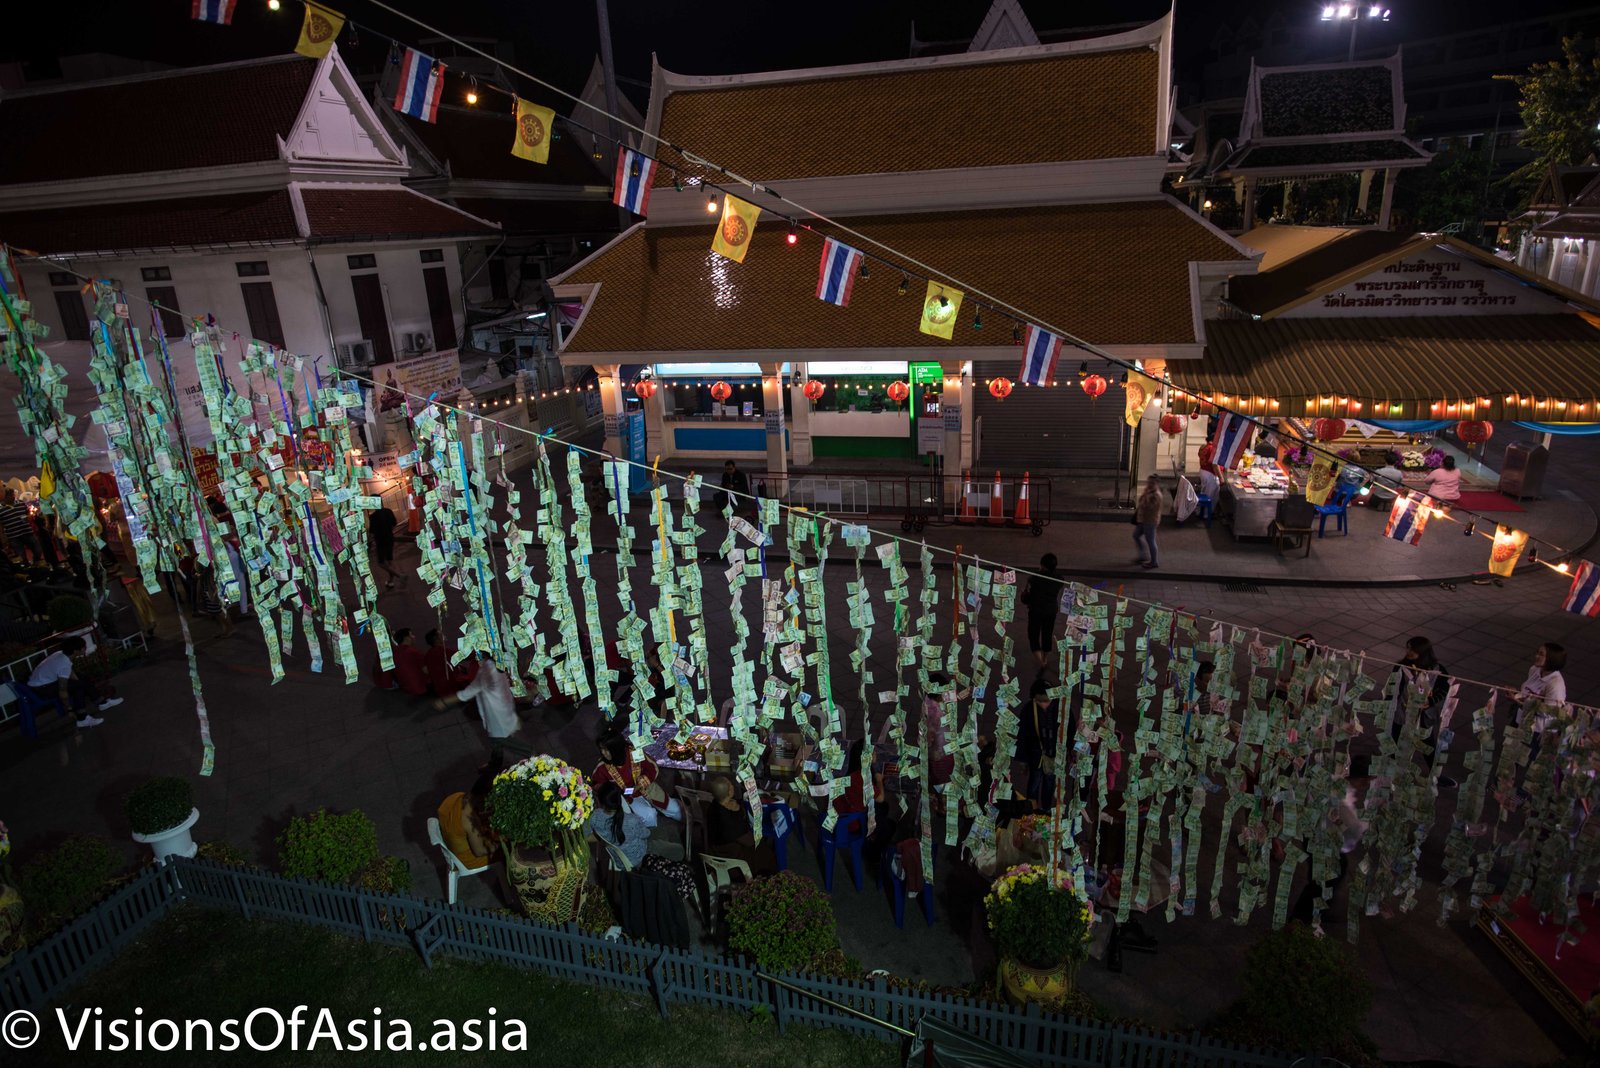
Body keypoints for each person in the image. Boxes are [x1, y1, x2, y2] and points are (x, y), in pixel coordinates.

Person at [589, 781, 697, 898]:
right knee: (679, 850)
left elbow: (588, 836)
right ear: (619, 800)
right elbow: (646, 834)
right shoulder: (631, 820)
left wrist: (603, 838)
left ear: (599, 801)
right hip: (642, 855)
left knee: (660, 835)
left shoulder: (594, 817)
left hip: (619, 858)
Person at [27, 636, 122, 728]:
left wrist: (82, 682)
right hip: (41, 689)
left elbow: (71, 672)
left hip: (40, 684)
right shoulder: (63, 664)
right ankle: (82, 719)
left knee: (82, 679)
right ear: (76, 651)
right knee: (78, 686)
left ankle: (102, 702)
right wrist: (69, 709)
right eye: (83, 648)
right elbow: (63, 691)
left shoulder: (61, 654)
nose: (85, 649)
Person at [593, 731, 681, 822]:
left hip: (647, 788)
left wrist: (642, 782)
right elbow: (597, 785)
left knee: (676, 809)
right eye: (601, 749)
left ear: (616, 748)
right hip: (629, 799)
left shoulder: (634, 753)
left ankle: (691, 822)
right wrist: (613, 792)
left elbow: (653, 768)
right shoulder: (602, 767)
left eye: (606, 749)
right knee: (650, 815)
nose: (603, 753)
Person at [703, 775, 778, 875]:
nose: (733, 786)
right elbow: (743, 835)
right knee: (765, 854)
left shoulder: (713, 806)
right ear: (729, 792)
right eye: (730, 785)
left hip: (716, 847)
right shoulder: (728, 817)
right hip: (729, 853)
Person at [438, 654, 520, 738]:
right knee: (500, 737)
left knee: (501, 739)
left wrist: (444, 701)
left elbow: (468, 692)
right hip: (504, 708)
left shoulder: (487, 670)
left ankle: (527, 751)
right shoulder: (499, 662)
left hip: (497, 714)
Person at [437, 761, 500, 870]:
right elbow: (479, 851)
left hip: (456, 844)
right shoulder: (468, 818)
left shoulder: (458, 796)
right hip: (467, 860)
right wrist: (501, 845)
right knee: (510, 849)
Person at [1015, 678, 1059, 810]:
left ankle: (1045, 809)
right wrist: (1022, 760)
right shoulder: (1028, 710)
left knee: (1049, 784)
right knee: (1034, 783)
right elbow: (1022, 735)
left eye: (1047, 701)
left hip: (1053, 755)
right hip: (1035, 756)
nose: (1044, 705)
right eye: (1040, 701)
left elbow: (1069, 729)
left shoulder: (1059, 707)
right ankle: (1031, 810)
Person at [1023, 554, 1063, 669]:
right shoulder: (1059, 579)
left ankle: (1041, 662)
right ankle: (1045, 658)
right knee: (1047, 633)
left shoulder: (1033, 579)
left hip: (1036, 611)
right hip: (1051, 611)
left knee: (1033, 635)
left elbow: (1026, 598)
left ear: (1042, 565)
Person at [424, 628, 472, 698]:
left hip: (439, 688)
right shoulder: (443, 651)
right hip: (450, 687)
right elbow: (465, 656)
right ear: (436, 639)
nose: (444, 635)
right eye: (441, 634)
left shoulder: (428, 654)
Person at [1132, 474, 1164, 570]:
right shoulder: (1149, 491)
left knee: (1151, 541)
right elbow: (1141, 501)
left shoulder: (1156, 495)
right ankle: (1143, 555)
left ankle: (1154, 562)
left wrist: (1146, 496)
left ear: (1157, 484)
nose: (1149, 484)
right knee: (1136, 535)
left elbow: (1148, 506)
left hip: (1150, 521)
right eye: (1149, 482)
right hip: (1143, 520)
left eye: (1152, 483)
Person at [0, 490, 41, 563]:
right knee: (21, 557)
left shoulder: (21, 503)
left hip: (27, 531)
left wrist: (29, 516)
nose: (13, 497)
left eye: (13, 495)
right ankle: (28, 568)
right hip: (13, 536)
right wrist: (3, 537)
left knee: (38, 550)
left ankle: (35, 563)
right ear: (5, 497)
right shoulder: (0, 508)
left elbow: (28, 513)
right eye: (11, 496)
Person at [368, 505, 401, 590]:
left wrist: (371, 543)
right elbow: (394, 523)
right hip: (390, 538)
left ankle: (399, 575)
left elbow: (372, 531)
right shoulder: (388, 511)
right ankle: (391, 581)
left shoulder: (373, 516)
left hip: (380, 541)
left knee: (381, 563)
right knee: (390, 561)